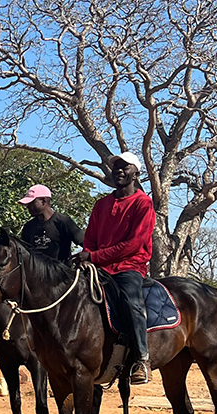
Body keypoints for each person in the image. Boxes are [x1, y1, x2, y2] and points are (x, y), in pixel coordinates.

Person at [74, 152, 155, 385]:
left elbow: (134, 244)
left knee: (131, 302)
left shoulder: (143, 203)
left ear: (136, 173)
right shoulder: (101, 205)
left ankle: (142, 358)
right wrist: (87, 257)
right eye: (116, 166)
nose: (119, 170)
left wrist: (95, 256)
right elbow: (90, 239)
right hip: (99, 267)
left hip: (129, 266)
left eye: (125, 167)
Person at [18, 184, 84, 263]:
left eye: (31, 202)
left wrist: (86, 259)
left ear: (43, 201)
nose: (28, 206)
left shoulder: (63, 222)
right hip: (36, 274)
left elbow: (87, 243)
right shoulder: (28, 227)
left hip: (61, 273)